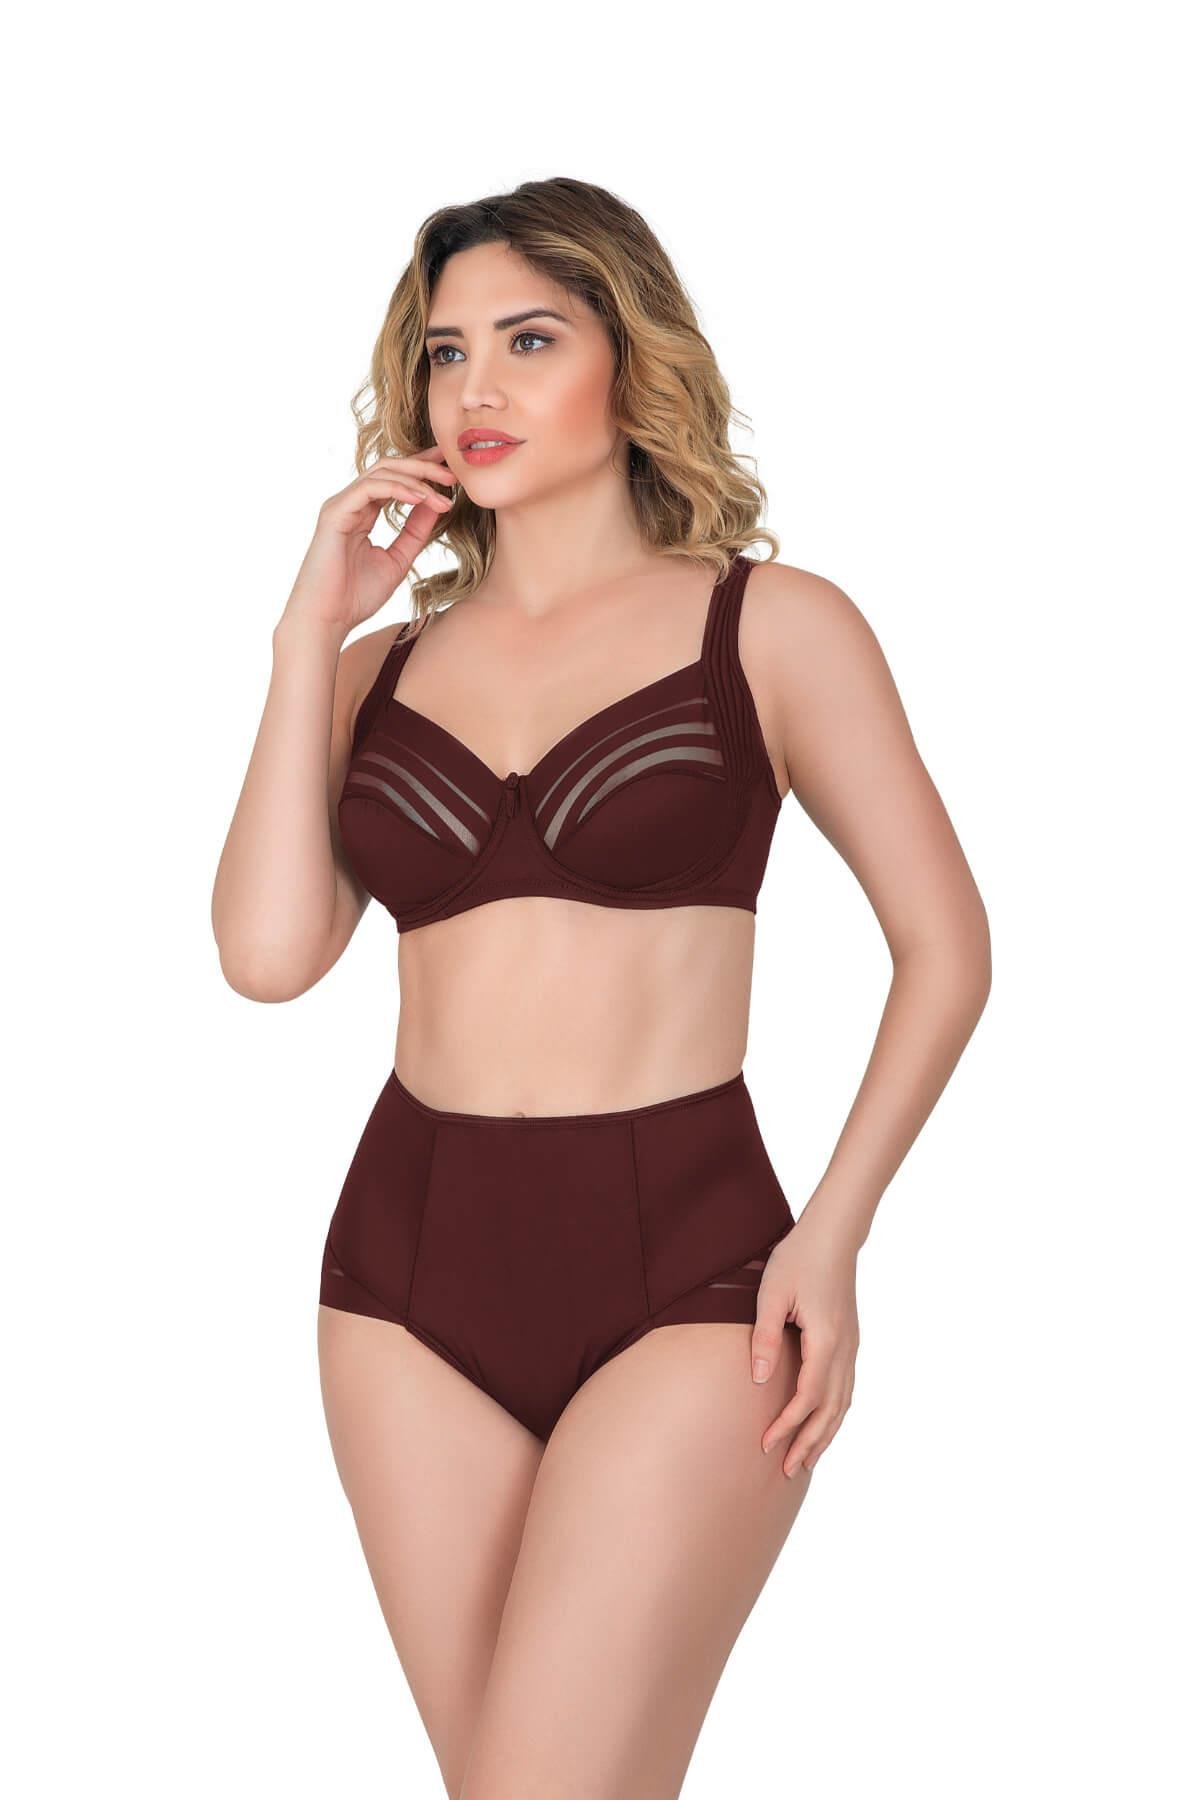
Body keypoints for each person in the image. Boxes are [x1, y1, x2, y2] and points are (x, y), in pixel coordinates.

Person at [211, 177, 991, 1799]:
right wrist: (305, 633)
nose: (474, 390)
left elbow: (947, 946)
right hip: (402, 1284)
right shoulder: (374, 671)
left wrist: (833, 1234)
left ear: (631, 361)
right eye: (445, 353)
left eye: (529, 340)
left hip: (693, 1274)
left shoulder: (771, 626)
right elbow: (269, 958)